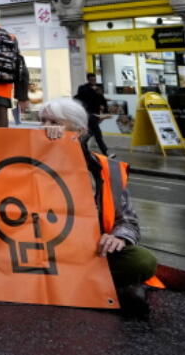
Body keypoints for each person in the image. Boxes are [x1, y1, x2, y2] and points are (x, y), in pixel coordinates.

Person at [39, 97, 157, 317]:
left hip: (89, 252)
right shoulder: (27, 160)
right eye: (42, 121)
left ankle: (80, 288)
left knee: (142, 261)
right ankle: (110, 291)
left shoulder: (105, 169)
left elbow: (128, 221)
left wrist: (118, 238)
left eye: (54, 123)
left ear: (80, 131)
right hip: (41, 253)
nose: (45, 128)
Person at [74, 72, 113, 157]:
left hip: (95, 114)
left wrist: (106, 110)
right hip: (87, 114)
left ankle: (80, 147)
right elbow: (82, 95)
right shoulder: (83, 88)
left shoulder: (98, 88)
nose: (93, 81)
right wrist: (93, 90)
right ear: (88, 79)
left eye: (94, 79)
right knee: (97, 132)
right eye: (91, 80)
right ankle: (106, 152)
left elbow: (102, 100)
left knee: (90, 133)